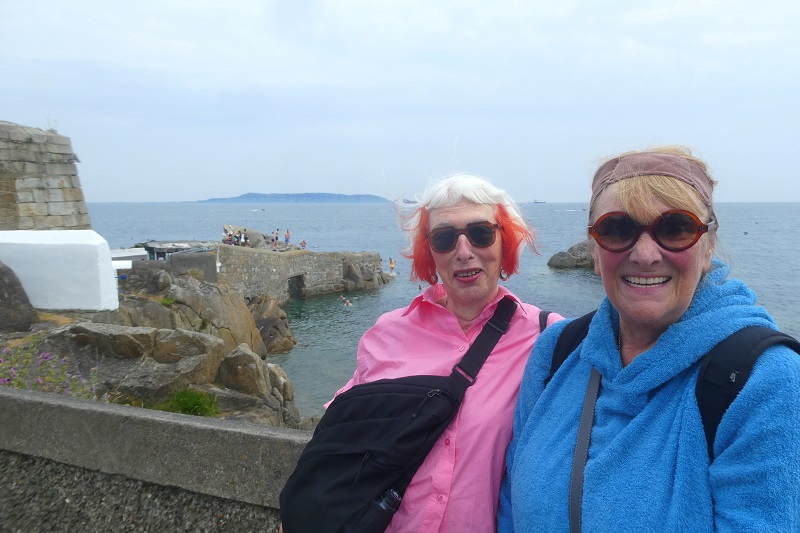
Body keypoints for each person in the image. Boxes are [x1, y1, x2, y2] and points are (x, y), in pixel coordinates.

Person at [498, 147, 800, 531]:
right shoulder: (557, 351)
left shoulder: (765, 380)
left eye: (676, 228)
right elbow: (510, 502)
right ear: (594, 250)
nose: (645, 255)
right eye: (617, 230)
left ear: (707, 247)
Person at [325, 173, 563, 532]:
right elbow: (340, 438)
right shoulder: (388, 332)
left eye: (481, 233)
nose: (463, 251)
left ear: (505, 240)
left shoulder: (548, 338)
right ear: (429, 251)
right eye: (444, 238)